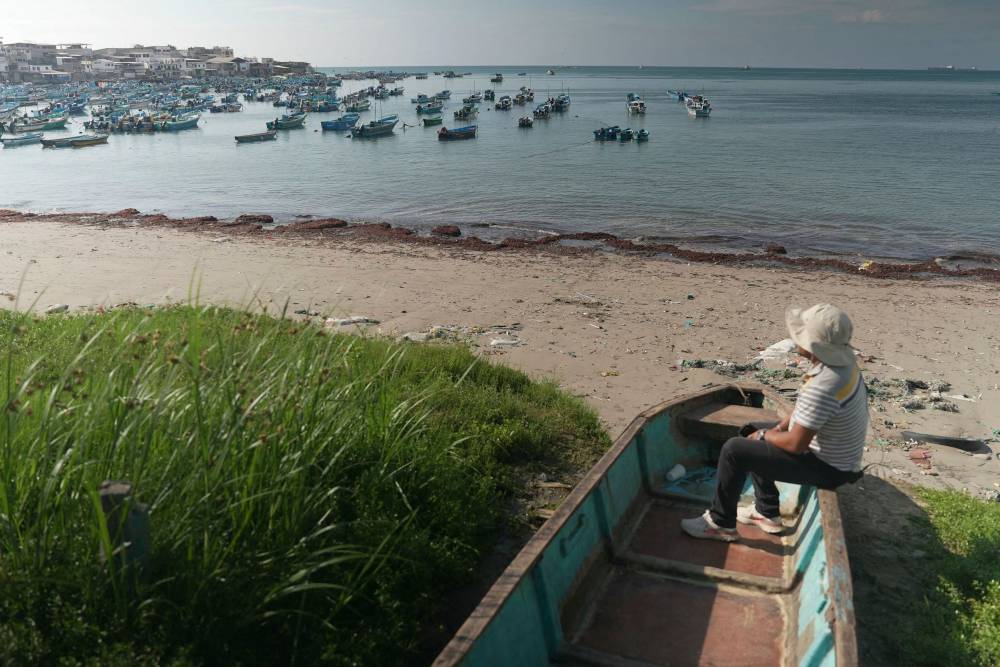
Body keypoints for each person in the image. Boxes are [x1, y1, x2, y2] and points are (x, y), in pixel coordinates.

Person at [681, 303, 868, 542]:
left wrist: (765, 437)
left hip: (829, 468)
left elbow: (796, 445)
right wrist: (774, 429)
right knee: (751, 431)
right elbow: (806, 411)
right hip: (836, 456)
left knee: (734, 450)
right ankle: (766, 512)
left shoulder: (824, 384)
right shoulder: (843, 365)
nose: (794, 339)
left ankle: (720, 523)